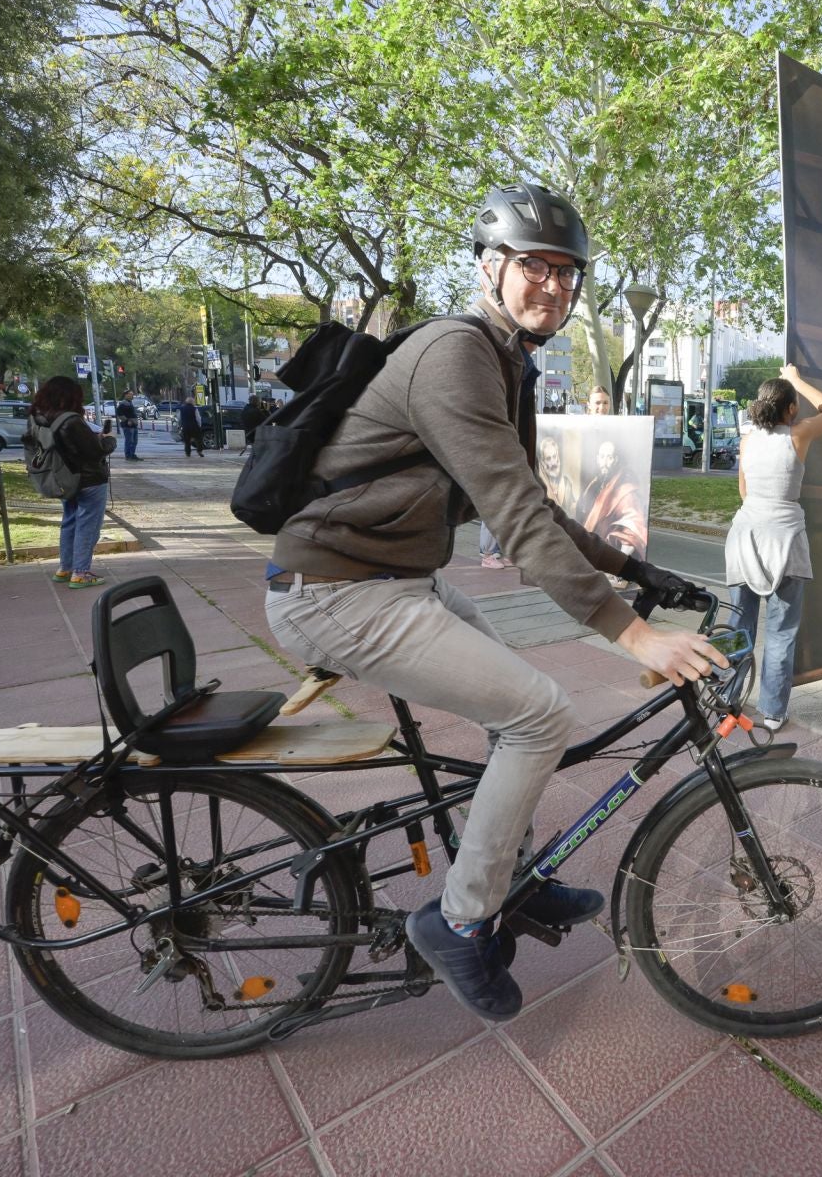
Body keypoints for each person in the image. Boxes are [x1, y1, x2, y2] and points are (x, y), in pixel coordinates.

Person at [263, 181, 723, 1022]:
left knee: (515, 708)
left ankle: (508, 878)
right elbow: (514, 519)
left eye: (567, 272)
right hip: (335, 593)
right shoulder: (457, 353)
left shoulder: (505, 358)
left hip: (391, 582)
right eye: (534, 266)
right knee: (540, 715)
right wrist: (630, 633)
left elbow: (529, 501)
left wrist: (636, 570)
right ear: (490, 266)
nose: (554, 285)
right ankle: (463, 922)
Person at [722, 366, 822, 730]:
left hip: (744, 537)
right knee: (781, 632)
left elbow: (743, 491)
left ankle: (727, 700)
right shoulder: (798, 434)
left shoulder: (748, 439)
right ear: (790, 408)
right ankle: (772, 713)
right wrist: (796, 379)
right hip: (785, 540)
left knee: (738, 626)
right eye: (795, 401)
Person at [30, 376, 115, 589]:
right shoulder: (71, 420)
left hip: (63, 478)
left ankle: (65, 568)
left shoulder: (39, 418)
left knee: (69, 521)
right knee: (88, 525)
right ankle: (81, 572)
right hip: (88, 479)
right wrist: (108, 440)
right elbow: (94, 451)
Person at [576, 439, 648, 561]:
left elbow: (633, 530)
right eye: (602, 457)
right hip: (590, 552)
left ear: (615, 460)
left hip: (606, 556)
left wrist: (617, 562)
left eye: (609, 457)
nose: (604, 462)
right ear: (597, 458)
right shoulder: (594, 484)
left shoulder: (624, 489)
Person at [115, 391, 141, 461]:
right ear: (126, 395)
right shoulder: (123, 403)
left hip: (134, 425)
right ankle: (128, 456)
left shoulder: (130, 403)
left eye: (132, 394)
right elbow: (119, 413)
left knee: (134, 441)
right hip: (128, 426)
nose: (132, 396)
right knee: (129, 441)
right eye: (131, 394)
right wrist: (127, 421)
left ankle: (132, 455)